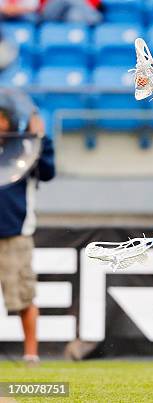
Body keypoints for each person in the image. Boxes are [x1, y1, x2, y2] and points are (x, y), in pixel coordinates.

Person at [0, 89, 55, 366]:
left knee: (23, 295)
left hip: (15, 233)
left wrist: (41, 138)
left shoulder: (24, 148)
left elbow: (48, 172)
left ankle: (30, 354)